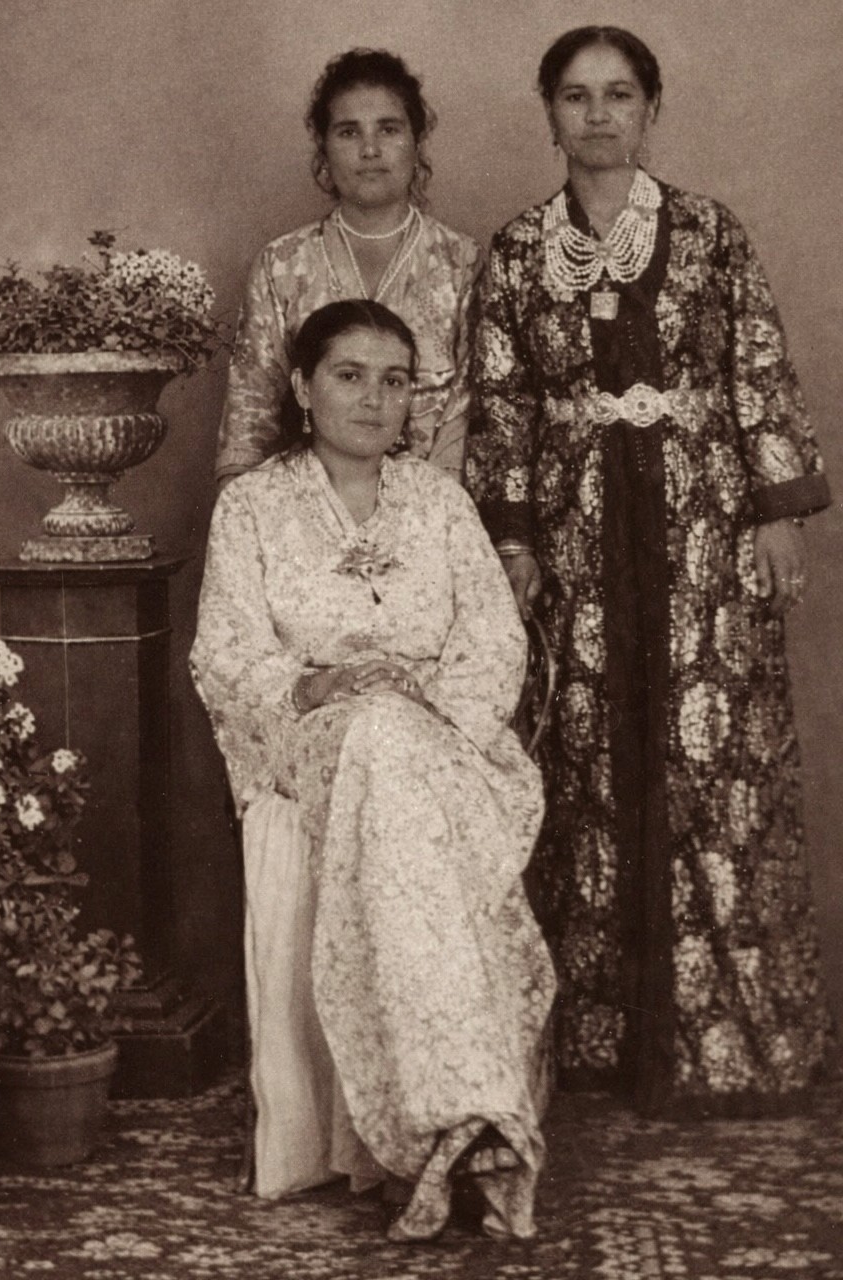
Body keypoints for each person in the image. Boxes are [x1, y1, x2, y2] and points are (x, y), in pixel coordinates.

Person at [467, 24, 833, 1119]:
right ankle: (600, 1042)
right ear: (548, 112)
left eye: (619, 94)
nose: (598, 115)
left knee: (707, 758)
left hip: (702, 530)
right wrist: (515, 540)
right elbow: (502, 405)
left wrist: (777, 513)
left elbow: (757, 365)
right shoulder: (516, 249)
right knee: (588, 760)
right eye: (576, 96)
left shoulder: (711, 232)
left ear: (651, 109)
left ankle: (730, 1050)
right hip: (578, 536)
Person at [192, 300, 555, 1242]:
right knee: (380, 745)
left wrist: (427, 707)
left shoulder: (440, 502)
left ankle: (441, 1124)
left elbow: (493, 642)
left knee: (399, 757)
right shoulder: (253, 506)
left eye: (395, 381)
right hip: (316, 731)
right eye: (349, 375)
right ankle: (451, 1118)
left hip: (442, 735)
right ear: (303, 387)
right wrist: (321, 685)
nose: (374, 398)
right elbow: (226, 652)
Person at [215, 48, 483, 488]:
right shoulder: (282, 265)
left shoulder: (462, 262)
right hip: (303, 506)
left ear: (417, 143)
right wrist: (247, 513)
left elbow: (466, 413)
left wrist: (431, 510)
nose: (370, 150)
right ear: (324, 149)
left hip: (433, 506)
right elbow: (250, 416)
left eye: (389, 129)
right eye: (348, 132)